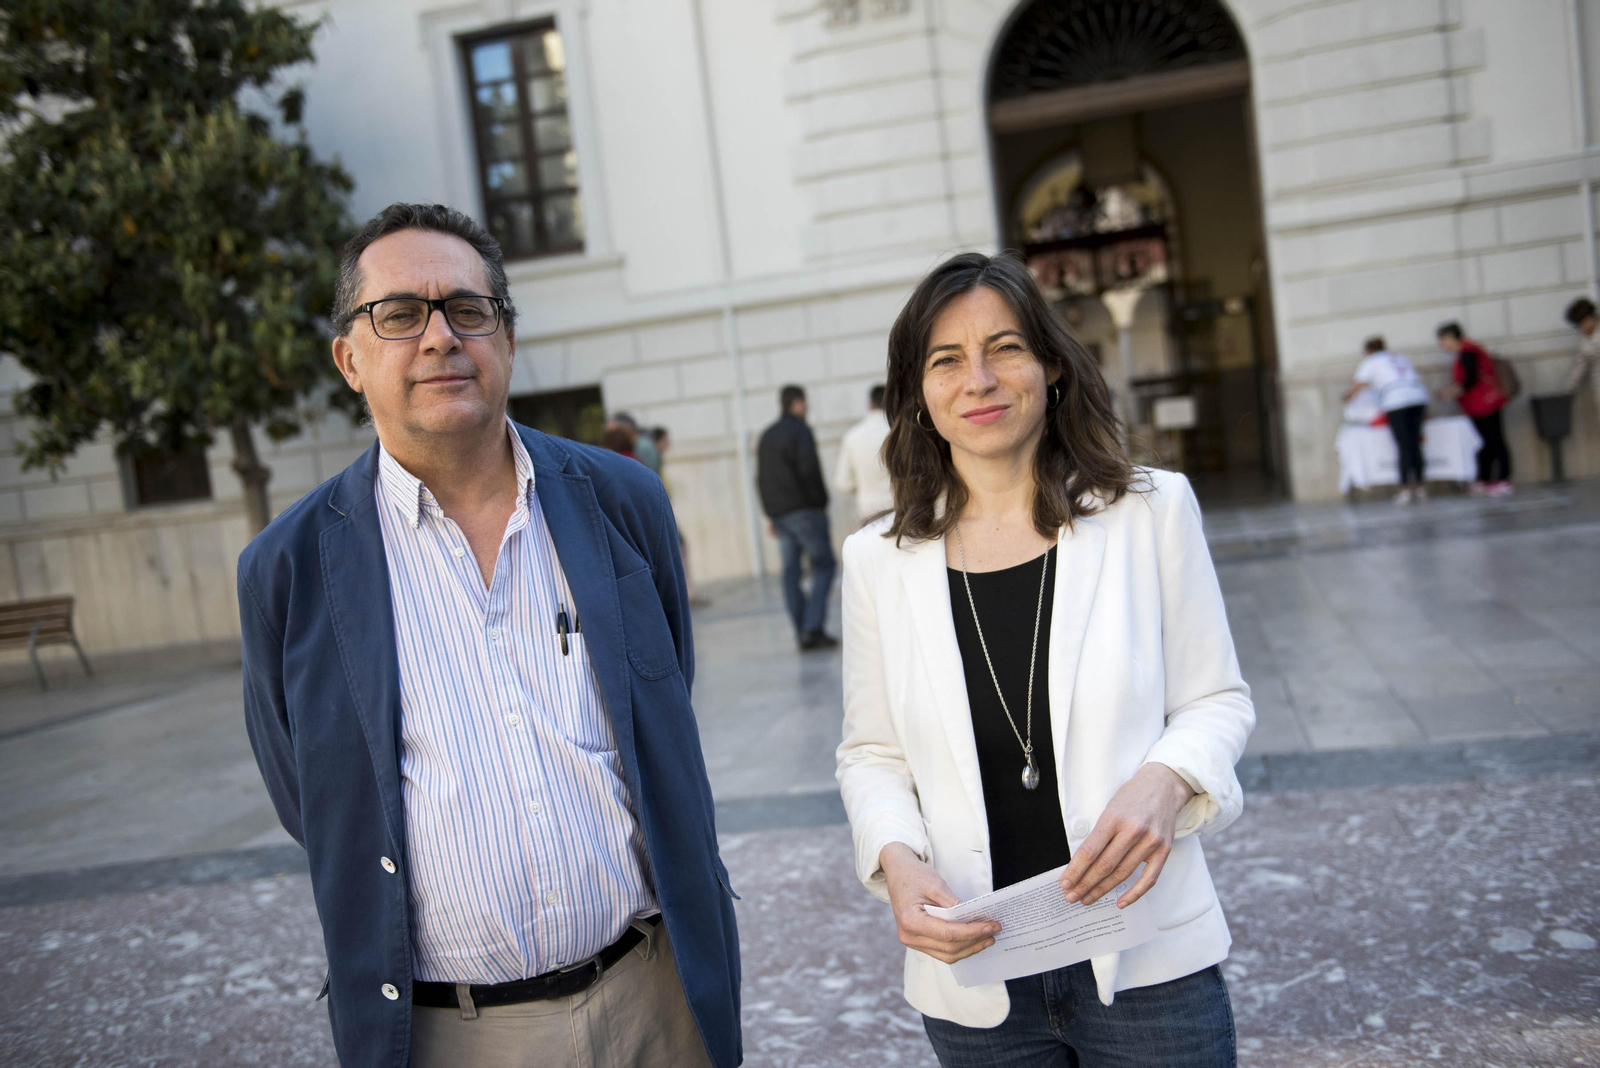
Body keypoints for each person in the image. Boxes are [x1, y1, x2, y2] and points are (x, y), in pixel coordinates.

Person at [236, 203, 740, 1068]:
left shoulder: (622, 503)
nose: (439, 337)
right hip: (452, 1036)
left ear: (505, 339)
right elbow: (313, 801)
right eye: (398, 315)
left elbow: (661, 705)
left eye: (467, 309)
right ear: (349, 359)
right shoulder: (287, 568)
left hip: (657, 1002)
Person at [837, 252, 1253, 1067]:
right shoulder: (877, 561)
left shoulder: (1150, 513)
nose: (979, 379)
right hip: (977, 977)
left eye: (1006, 349)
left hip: (1147, 966)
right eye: (946, 360)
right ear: (917, 392)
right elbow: (873, 753)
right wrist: (895, 856)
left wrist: (1164, 782)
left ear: (1052, 366)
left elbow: (1219, 700)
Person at [757, 384, 837, 651]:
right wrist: (820, 504)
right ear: (798, 403)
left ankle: (802, 630)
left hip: (780, 515)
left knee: (791, 572)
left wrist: (771, 514)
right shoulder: (800, 430)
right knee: (825, 565)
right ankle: (812, 628)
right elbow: (809, 470)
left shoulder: (768, 435)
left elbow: (761, 478)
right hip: (804, 511)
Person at [1342, 335, 1431, 503]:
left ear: (1368, 351)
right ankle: (1420, 486)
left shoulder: (1371, 361)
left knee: (1404, 444)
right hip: (1418, 397)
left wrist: (1346, 397)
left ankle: (1404, 488)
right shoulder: (1399, 357)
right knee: (1415, 442)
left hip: (1396, 401)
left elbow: (1357, 386)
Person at [1436, 321, 1511, 496]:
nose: (1442, 345)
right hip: (1478, 405)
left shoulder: (1468, 351)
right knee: (1485, 442)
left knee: (1495, 441)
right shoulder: (1466, 351)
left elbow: (1470, 379)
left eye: (1442, 341)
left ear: (1451, 338)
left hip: (1485, 403)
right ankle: (1484, 479)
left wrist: (1450, 392)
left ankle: (1503, 479)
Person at [833, 383, 894, 522]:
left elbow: (842, 482)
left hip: (868, 510)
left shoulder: (852, 436)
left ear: (870, 404)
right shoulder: (898, 431)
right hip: (901, 507)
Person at [1563, 297, 1600, 418]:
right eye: (1579, 325)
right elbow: (1580, 365)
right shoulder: (1583, 339)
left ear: (1592, 317)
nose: (1582, 327)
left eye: (1583, 322)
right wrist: (1568, 389)